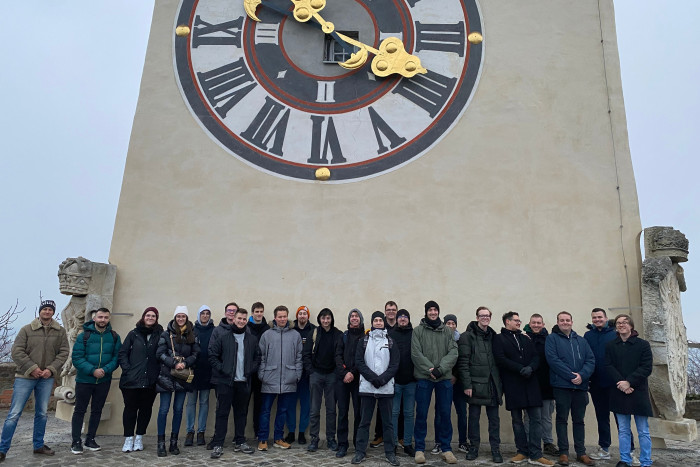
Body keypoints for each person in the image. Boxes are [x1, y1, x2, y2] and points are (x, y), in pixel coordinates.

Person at [0, 299, 69, 462]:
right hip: (25, 377)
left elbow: (64, 352)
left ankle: (38, 445)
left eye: (50, 309)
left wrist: (50, 369)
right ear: (40, 311)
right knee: (14, 414)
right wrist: (32, 368)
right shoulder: (26, 329)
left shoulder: (60, 331)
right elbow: (17, 351)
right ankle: (2, 449)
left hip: (46, 378)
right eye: (45, 309)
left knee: (42, 413)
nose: (47, 312)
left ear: (53, 312)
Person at [493, 312, 554, 466]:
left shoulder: (525, 338)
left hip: (531, 382)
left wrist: (531, 368)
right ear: (507, 321)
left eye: (519, 320)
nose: (519, 322)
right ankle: (522, 451)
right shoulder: (499, 339)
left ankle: (536, 454)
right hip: (513, 384)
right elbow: (500, 359)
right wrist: (520, 368)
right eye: (516, 320)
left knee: (536, 419)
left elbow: (536, 357)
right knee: (517, 420)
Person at [208, 305, 260, 458]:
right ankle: (218, 444)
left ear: (246, 320)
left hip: (243, 382)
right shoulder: (224, 337)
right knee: (222, 413)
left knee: (241, 414)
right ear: (234, 319)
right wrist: (223, 368)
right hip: (226, 382)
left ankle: (240, 441)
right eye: (239, 318)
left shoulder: (252, 339)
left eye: (244, 319)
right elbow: (212, 355)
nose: (241, 321)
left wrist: (250, 369)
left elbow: (258, 357)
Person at [411, 300, 459, 465]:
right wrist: (430, 369)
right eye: (430, 310)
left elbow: (453, 352)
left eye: (435, 310)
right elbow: (415, 353)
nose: (433, 312)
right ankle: (419, 449)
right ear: (426, 312)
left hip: (443, 379)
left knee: (445, 414)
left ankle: (446, 449)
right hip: (424, 378)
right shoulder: (418, 331)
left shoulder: (447, 331)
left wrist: (441, 369)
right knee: (421, 414)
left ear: (438, 312)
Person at [545, 311, 595, 466]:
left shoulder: (581, 341)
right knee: (562, 420)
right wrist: (570, 375)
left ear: (572, 322)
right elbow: (553, 360)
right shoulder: (552, 339)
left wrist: (582, 375)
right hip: (562, 386)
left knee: (579, 421)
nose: (565, 322)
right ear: (558, 322)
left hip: (580, 387)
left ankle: (581, 453)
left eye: (567, 320)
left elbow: (590, 360)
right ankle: (564, 453)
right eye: (562, 320)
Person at [70, 307, 122, 454]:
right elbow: (77, 358)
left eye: (105, 317)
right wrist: (93, 370)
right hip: (84, 380)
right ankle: (76, 441)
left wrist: (105, 370)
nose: (103, 320)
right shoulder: (83, 336)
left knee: (97, 410)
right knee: (80, 410)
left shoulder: (114, 337)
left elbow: (117, 357)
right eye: (100, 317)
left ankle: (90, 439)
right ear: (94, 318)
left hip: (104, 380)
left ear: (109, 319)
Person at [352, 311, 400, 466]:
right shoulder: (364, 340)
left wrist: (383, 379)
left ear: (384, 322)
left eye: (380, 320)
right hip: (367, 387)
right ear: (372, 323)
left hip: (386, 387)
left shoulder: (390, 341)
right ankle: (360, 452)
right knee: (364, 422)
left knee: (388, 423)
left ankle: (390, 453)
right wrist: (373, 378)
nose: (378, 322)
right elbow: (359, 362)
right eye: (376, 320)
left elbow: (395, 364)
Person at [605, 314, 653, 467]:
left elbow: (646, 367)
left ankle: (646, 461)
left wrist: (629, 382)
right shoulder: (610, 345)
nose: (621, 325)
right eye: (618, 323)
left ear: (631, 325)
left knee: (643, 430)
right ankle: (625, 460)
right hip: (619, 390)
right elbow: (608, 366)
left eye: (625, 322)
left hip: (638, 390)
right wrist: (622, 383)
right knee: (623, 430)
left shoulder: (643, 345)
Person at [457, 306, 503, 463]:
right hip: (475, 385)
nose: (485, 318)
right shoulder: (467, 337)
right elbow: (463, 363)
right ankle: (474, 448)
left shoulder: (494, 336)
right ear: (477, 317)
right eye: (482, 315)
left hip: (492, 385)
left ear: (490, 317)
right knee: (474, 419)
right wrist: (467, 385)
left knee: (494, 421)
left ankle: (495, 449)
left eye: (487, 315)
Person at [155, 306, 200, 457]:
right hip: (166, 376)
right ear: (175, 317)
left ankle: (173, 442)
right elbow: (160, 353)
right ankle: (161, 443)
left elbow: (196, 353)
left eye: (183, 316)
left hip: (183, 377)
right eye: (178, 316)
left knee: (178, 409)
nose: (181, 319)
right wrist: (173, 363)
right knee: (163, 409)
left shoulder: (192, 334)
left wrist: (185, 363)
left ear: (187, 318)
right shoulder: (166, 334)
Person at [257, 306, 303, 450]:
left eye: (284, 316)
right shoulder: (267, 335)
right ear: (275, 318)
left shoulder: (295, 335)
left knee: (282, 411)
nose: (282, 319)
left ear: (287, 317)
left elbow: (299, 357)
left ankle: (278, 438)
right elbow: (261, 356)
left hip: (289, 378)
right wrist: (262, 374)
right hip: (269, 378)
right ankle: (263, 439)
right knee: (265, 410)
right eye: (280, 317)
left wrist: (297, 374)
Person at [118, 307, 163, 453]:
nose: (150, 318)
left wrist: (157, 373)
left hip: (150, 380)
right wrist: (128, 369)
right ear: (143, 317)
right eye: (148, 315)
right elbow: (123, 353)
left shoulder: (160, 335)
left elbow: (162, 354)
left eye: (153, 316)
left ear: (156, 318)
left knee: (145, 410)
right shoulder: (134, 334)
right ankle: (128, 438)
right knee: (130, 409)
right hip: (131, 380)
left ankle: (139, 437)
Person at [304, 307, 343, 452]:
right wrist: (310, 371)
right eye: (323, 318)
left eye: (328, 318)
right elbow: (306, 354)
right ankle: (314, 439)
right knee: (314, 409)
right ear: (319, 319)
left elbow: (340, 354)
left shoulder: (338, 334)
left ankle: (331, 439)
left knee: (331, 409)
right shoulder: (314, 333)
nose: (325, 321)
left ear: (331, 319)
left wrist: (337, 372)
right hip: (316, 374)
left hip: (332, 375)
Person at [584, 307, 618, 461]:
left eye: (600, 317)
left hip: (614, 383)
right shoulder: (588, 335)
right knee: (602, 417)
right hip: (596, 383)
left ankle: (629, 450)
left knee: (621, 417)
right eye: (594, 318)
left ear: (605, 318)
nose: (597, 320)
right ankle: (604, 448)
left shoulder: (615, 334)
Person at [431, 314, 467, 455]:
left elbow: (463, 359)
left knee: (462, 412)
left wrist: (455, 375)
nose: (451, 326)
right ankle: (439, 442)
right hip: (442, 380)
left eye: (453, 323)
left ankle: (463, 442)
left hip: (458, 382)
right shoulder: (439, 339)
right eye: (448, 323)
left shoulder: (461, 340)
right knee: (440, 413)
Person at [524, 314, 557, 456]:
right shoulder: (524, 339)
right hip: (529, 383)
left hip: (546, 383)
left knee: (546, 417)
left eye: (539, 323)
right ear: (530, 324)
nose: (536, 325)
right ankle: (528, 443)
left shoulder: (549, 339)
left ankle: (548, 443)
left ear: (543, 324)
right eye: (534, 323)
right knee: (529, 417)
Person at [334, 308, 365, 458]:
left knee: (359, 413)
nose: (354, 318)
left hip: (358, 380)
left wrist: (352, 373)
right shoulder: (343, 336)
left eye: (357, 316)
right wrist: (345, 373)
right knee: (342, 413)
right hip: (342, 380)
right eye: (352, 316)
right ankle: (342, 445)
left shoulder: (365, 337)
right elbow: (338, 356)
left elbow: (364, 359)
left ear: (360, 319)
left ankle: (358, 445)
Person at [370, 300, 399, 449]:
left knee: (397, 410)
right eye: (388, 310)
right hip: (379, 377)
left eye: (393, 309)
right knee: (380, 410)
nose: (391, 312)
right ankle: (379, 435)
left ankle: (398, 437)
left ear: (397, 312)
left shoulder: (400, 328)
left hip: (397, 374)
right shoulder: (380, 328)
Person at [185, 305, 215, 447]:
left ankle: (201, 431)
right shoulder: (192, 330)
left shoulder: (214, 330)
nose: (205, 316)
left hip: (207, 371)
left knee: (204, 402)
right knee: (191, 402)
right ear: (198, 315)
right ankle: (190, 431)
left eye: (207, 313)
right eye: (202, 313)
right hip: (192, 371)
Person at [388, 308, 416, 457]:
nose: (403, 319)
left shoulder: (414, 334)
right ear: (397, 319)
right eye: (400, 316)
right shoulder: (391, 334)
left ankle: (407, 444)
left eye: (405, 316)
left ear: (409, 319)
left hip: (411, 381)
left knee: (409, 414)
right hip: (395, 381)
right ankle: (393, 444)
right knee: (393, 413)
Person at [286, 305, 315, 445]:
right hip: (291, 373)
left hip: (307, 374)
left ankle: (302, 432)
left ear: (308, 316)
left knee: (306, 405)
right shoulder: (290, 329)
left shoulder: (314, 330)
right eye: (300, 313)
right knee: (290, 404)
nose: (302, 316)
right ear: (297, 316)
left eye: (305, 313)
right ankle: (291, 432)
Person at [247, 302, 270, 440]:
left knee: (259, 404)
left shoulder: (267, 329)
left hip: (262, 372)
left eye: (261, 311)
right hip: (248, 371)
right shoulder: (246, 327)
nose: (259, 314)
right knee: (243, 404)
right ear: (252, 313)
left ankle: (258, 432)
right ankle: (239, 435)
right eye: (256, 311)